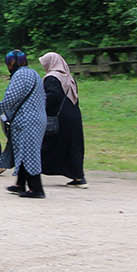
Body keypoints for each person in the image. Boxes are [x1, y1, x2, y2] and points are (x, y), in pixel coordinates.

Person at [0, 50, 45, 198]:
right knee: (24, 151)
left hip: (27, 120)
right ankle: (20, 184)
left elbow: (11, 98)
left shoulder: (20, 75)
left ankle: (36, 189)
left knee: (29, 153)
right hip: (36, 118)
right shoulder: (34, 73)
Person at [38, 51, 86, 186]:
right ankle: (78, 177)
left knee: (47, 145)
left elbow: (52, 98)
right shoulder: (69, 77)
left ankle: (32, 173)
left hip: (60, 118)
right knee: (73, 146)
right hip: (74, 116)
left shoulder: (52, 78)